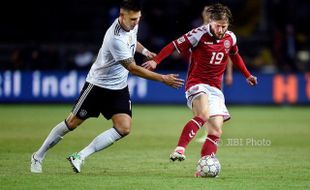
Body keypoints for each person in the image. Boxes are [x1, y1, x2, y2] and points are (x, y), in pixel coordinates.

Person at [30, 0, 184, 174]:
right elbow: (133, 68)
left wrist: (145, 51)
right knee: (71, 123)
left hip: (118, 88)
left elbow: (133, 41)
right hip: (98, 85)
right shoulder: (115, 38)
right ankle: (38, 156)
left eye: (138, 18)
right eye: (133, 19)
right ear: (121, 16)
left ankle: (80, 156)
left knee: (124, 128)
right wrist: (163, 79)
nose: (136, 23)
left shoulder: (132, 25)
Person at [142, 3, 257, 177]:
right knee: (203, 115)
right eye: (217, 26)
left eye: (224, 26)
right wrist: (156, 61)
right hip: (197, 83)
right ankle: (180, 149)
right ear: (210, 22)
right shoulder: (198, 34)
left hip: (216, 89)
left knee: (216, 131)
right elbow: (174, 45)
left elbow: (234, 55)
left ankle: (203, 168)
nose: (220, 30)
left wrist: (247, 75)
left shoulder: (231, 38)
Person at [195, 5, 233, 143]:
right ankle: (208, 131)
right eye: (205, 11)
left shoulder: (221, 31)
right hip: (199, 75)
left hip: (215, 75)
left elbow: (228, 55)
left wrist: (229, 73)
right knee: (201, 106)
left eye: (208, 12)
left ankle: (210, 132)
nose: (206, 14)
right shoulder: (198, 32)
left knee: (212, 104)